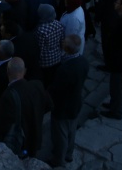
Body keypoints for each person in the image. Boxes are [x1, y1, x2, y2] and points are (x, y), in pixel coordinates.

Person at [0, 57, 51, 158]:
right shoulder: (37, 85)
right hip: (35, 138)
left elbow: (4, 125)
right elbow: (49, 105)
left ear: (7, 71)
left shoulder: (7, 96)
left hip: (20, 142)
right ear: (25, 71)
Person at [48, 35, 89, 166]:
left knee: (60, 135)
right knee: (71, 130)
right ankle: (68, 154)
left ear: (67, 48)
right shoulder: (83, 61)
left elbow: (57, 89)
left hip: (63, 107)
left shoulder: (65, 69)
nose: (62, 43)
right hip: (75, 103)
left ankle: (58, 160)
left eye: (64, 42)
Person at [35, 3, 64, 88]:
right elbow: (62, 41)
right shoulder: (58, 24)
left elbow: (40, 48)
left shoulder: (41, 30)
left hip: (45, 61)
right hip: (57, 57)